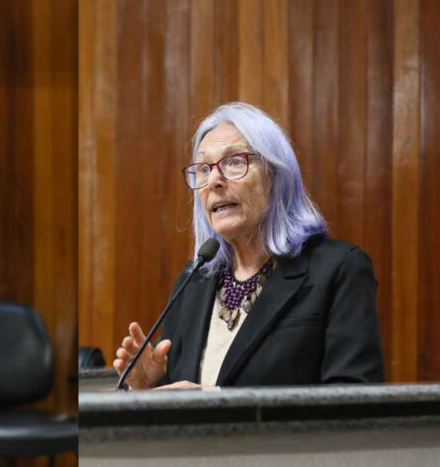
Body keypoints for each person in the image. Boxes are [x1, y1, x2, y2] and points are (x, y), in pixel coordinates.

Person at [113, 102, 384, 389]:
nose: (213, 181)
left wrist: (213, 401)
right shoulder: (193, 281)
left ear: (276, 175)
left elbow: (353, 401)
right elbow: (180, 397)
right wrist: (148, 388)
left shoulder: (338, 270)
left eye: (234, 162)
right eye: (204, 168)